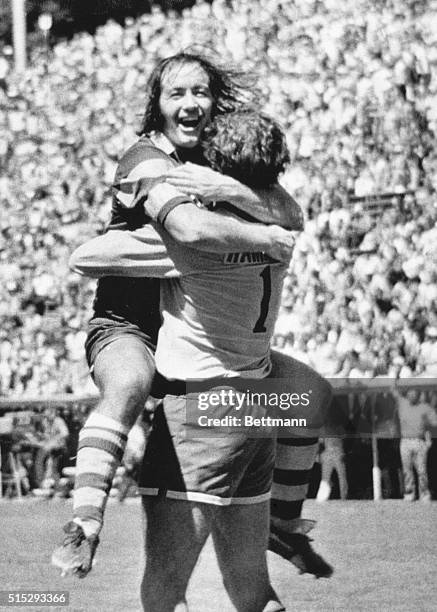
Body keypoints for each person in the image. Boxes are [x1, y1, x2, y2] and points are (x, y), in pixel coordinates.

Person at [52, 52, 332, 582]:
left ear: (213, 99)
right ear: (156, 105)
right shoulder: (144, 160)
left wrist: (232, 192)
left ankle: (284, 524)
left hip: (195, 323)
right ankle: (84, 524)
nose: (190, 104)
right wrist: (265, 237)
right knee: (130, 384)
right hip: (130, 322)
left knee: (310, 394)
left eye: (199, 92)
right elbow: (190, 231)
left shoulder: (214, 158)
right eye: (176, 93)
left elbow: (291, 211)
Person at [72, 107, 299, 611]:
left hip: (199, 415)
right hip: (256, 412)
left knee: (163, 590)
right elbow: (286, 213)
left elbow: (85, 257)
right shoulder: (282, 237)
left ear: (214, 169)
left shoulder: (190, 243)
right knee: (253, 590)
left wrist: (160, 209)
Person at [394, 386, 437, 501]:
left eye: (415, 393)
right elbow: (393, 389)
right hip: (405, 441)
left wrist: (428, 437)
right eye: (410, 392)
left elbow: (434, 422)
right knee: (407, 470)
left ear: (418, 394)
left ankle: (424, 494)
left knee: (422, 470)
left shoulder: (424, 407)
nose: (412, 395)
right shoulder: (402, 403)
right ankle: (409, 494)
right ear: (407, 394)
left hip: (419, 441)